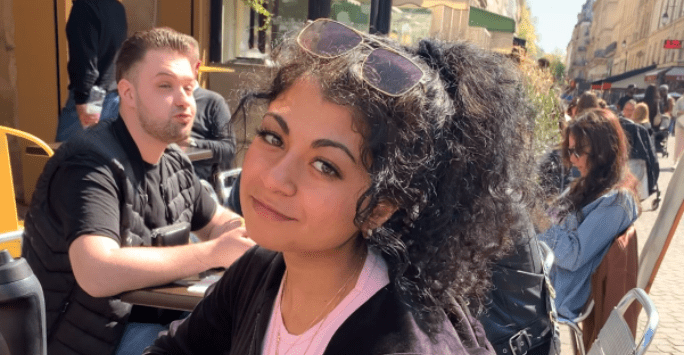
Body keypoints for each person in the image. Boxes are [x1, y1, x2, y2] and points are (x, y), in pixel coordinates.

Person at [145, 19, 541, 355]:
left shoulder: (402, 342)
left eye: (324, 166)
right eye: (273, 137)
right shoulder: (263, 268)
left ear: (380, 207)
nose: (274, 178)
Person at [21, 27, 255, 355]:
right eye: (165, 86)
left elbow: (218, 220)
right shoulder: (88, 164)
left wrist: (238, 235)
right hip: (87, 341)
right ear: (128, 94)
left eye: (189, 87)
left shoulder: (172, 158)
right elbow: (97, 271)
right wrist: (212, 253)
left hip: (147, 318)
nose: (185, 101)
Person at [540, 108, 639, 320]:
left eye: (577, 152)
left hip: (555, 294)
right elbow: (553, 216)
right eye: (569, 151)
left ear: (602, 151)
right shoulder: (590, 183)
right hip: (545, 276)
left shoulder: (617, 202)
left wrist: (541, 223)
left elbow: (574, 255)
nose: (573, 160)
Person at [56, 0, 127, 142]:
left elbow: (85, 58)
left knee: (65, 158)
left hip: (92, 98)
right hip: (114, 96)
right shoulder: (117, 8)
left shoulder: (84, 7)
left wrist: (82, 99)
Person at [619, 100, 659, 200]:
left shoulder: (642, 129)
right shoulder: (616, 125)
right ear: (623, 110)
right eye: (626, 110)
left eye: (631, 110)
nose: (628, 113)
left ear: (636, 111)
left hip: (635, 168)